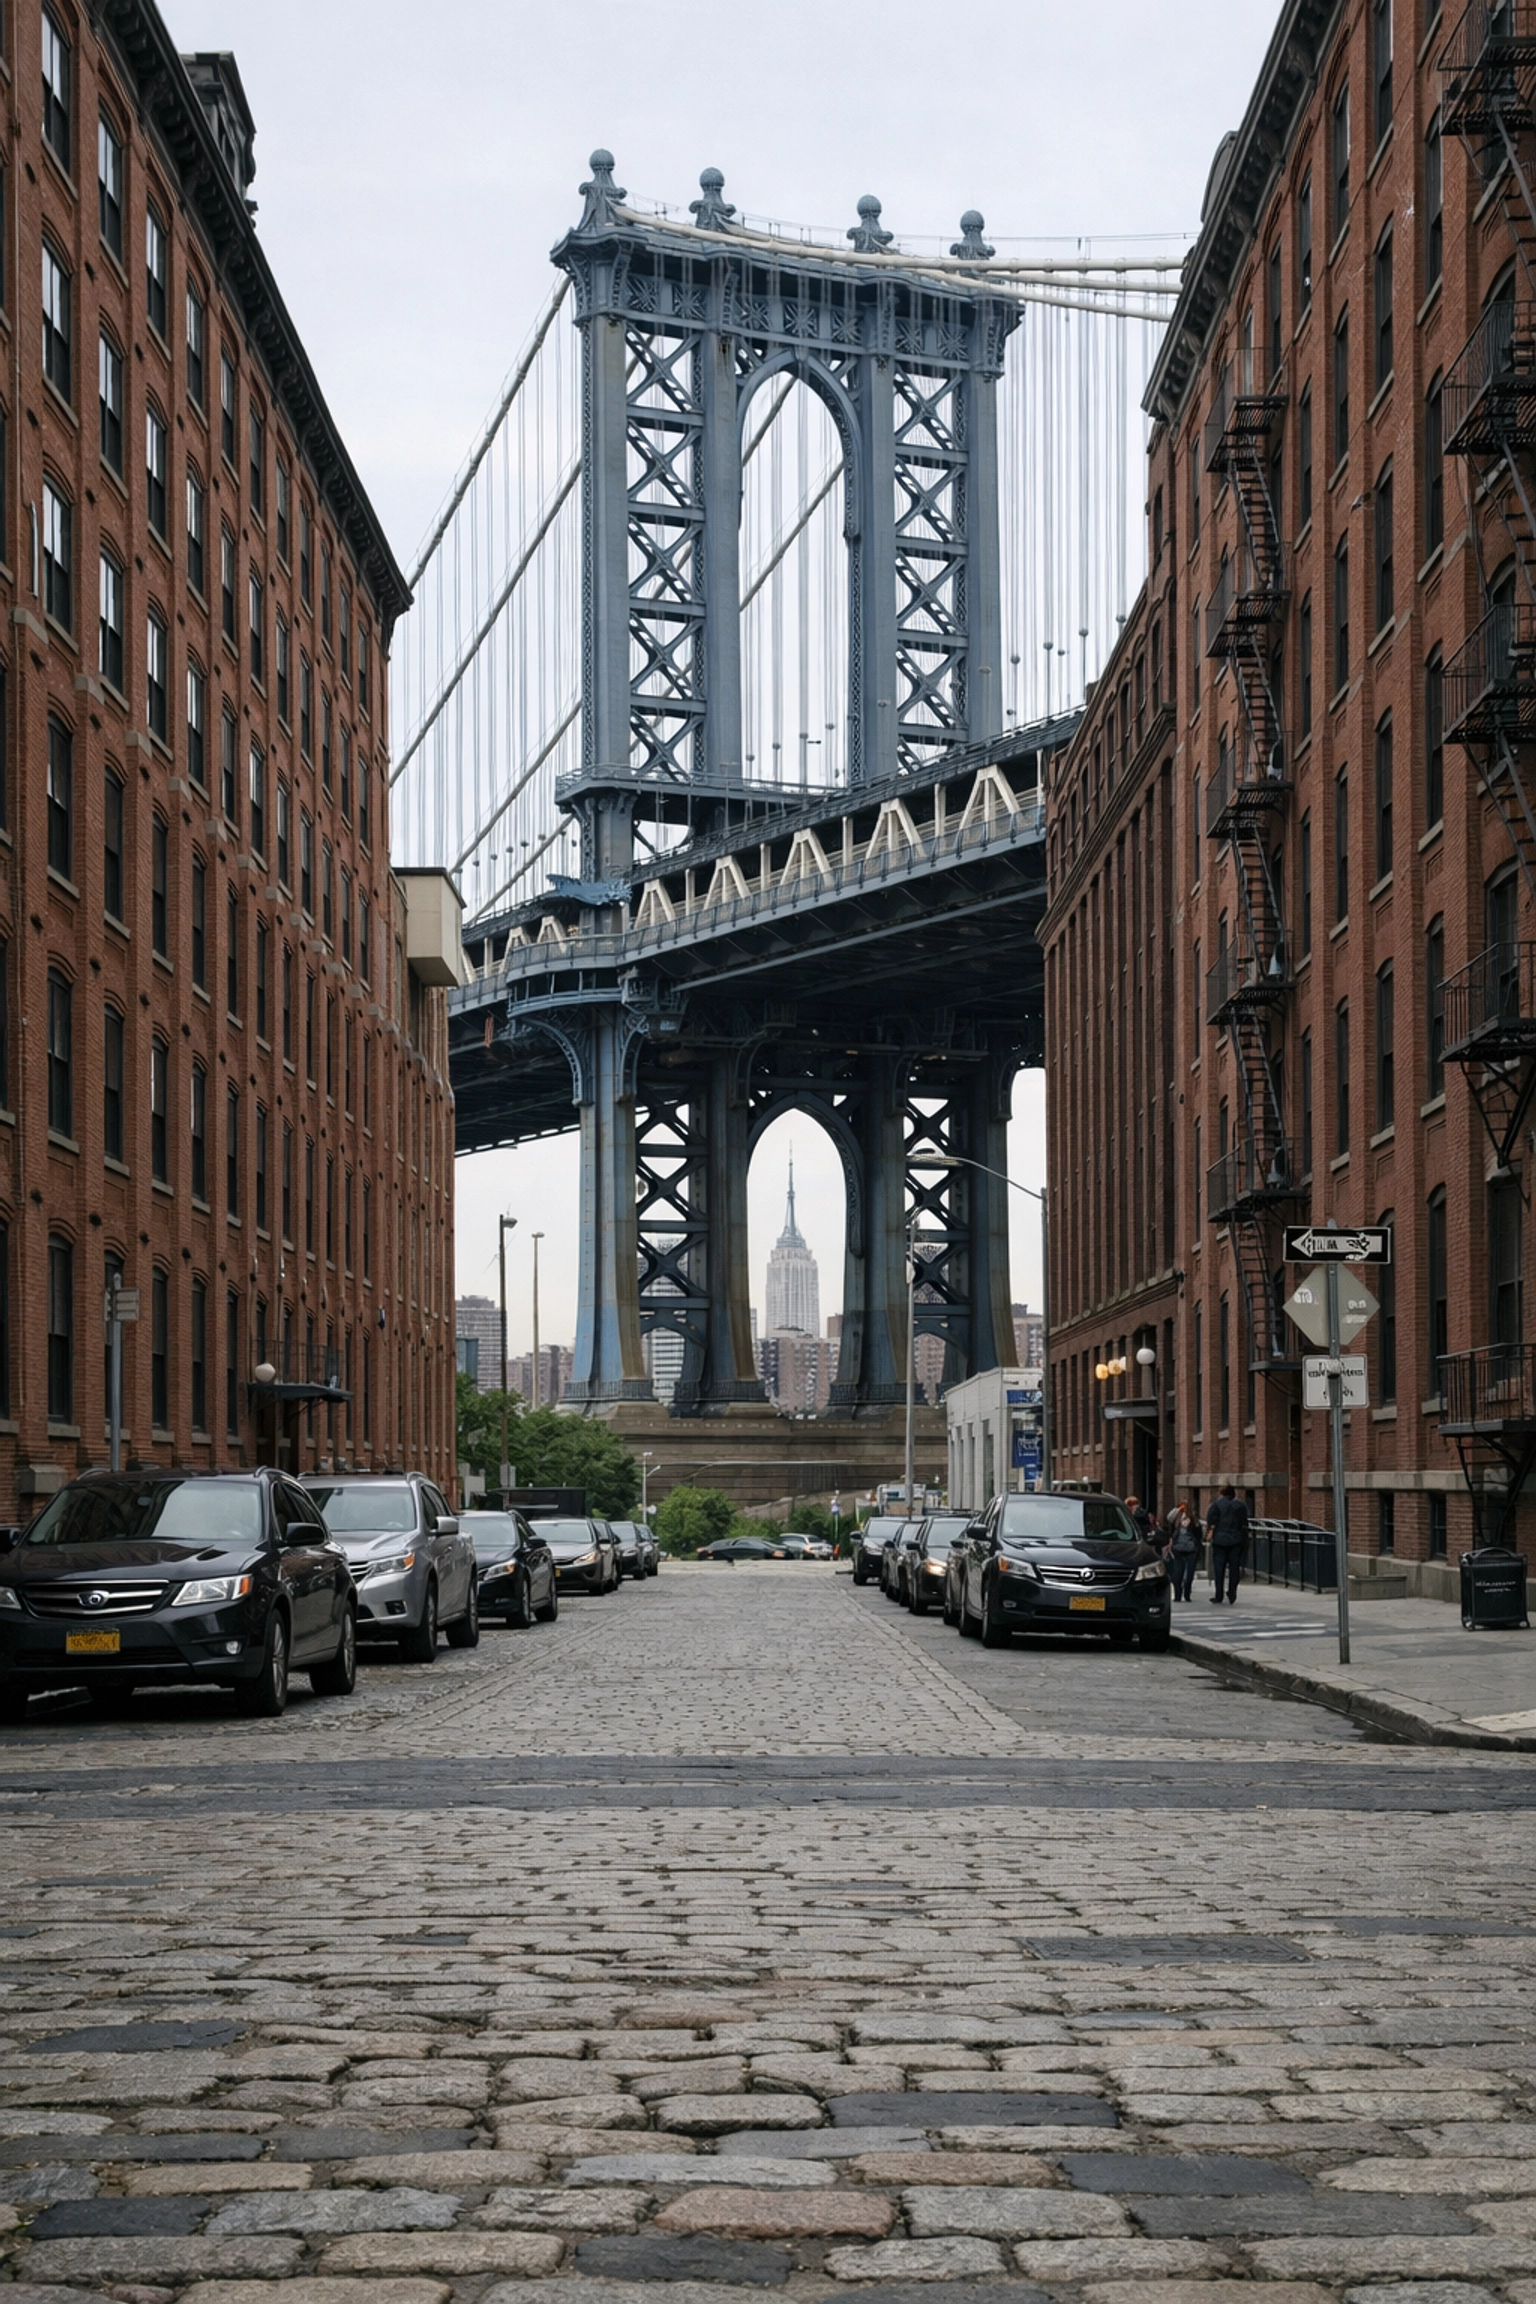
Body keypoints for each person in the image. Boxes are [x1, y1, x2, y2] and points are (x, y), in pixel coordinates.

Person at [1206, 1483, 1250, 1604]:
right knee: (1234, 1567)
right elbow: (1244, 1522)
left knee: (1219, 1568)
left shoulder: (1216, 1505)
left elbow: (1210, 1520)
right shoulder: (1240, 1505)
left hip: (1220, 1540)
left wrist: (1211, 1534)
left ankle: (1218, 1595)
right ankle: (1232, 1591)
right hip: (1236, 1540)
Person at [1164, 1497, 1200, 1602]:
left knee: (1189, 1574)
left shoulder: (1193, 1517)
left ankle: (1187, 1594)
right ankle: (1178, 1594)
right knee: (1177, 1574)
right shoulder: (1176, 1518)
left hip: (1191, 1549)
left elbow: (1198, 1530)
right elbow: (1169, 1518)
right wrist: (1178, 1509)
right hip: (1178, 1549)